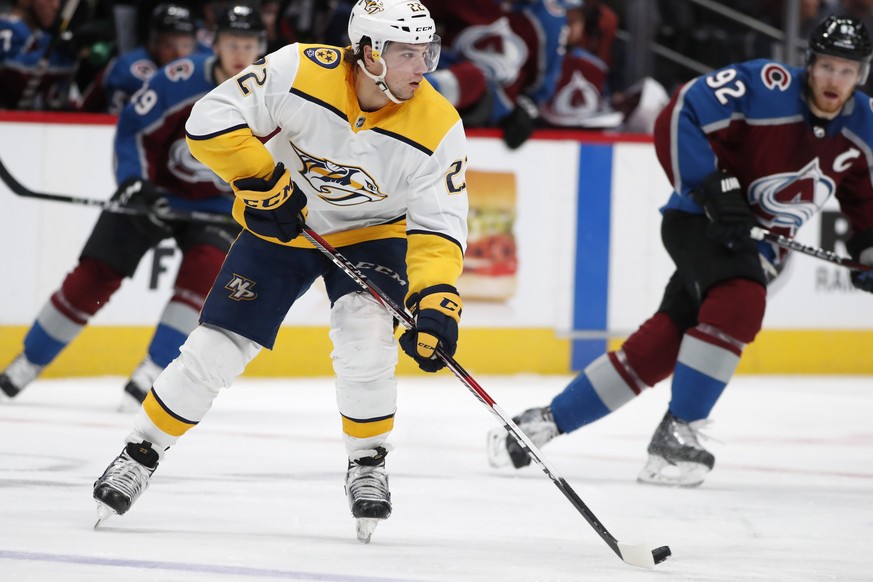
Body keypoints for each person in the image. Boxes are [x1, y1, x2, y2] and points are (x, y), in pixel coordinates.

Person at [90, 0, 469, 543]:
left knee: (366, 336)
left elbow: (440, 227)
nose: (422, 67)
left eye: (426, 52)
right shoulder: (300, 67)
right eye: (406, 53)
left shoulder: (439, 124)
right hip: (284, 225)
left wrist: (437, 301)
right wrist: (261, 180)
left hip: (374, 233)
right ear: (368, 53)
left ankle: (367, 462)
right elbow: (210, 118)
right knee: (215, 347)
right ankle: (140, 452)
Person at [487, 15, 873, 487]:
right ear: (810, 64)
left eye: (847, 70)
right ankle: (676, 437)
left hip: (759, 247)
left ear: (862, 76)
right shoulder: (765, 85)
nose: (836, 80)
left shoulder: (865, 126)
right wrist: (714, 186)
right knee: (740, 302)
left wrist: (868, 249)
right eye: (828, 67)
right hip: (701, 219)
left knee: (662, 344)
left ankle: (542, 422)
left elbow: (866, 199)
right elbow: (683, 108)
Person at [0, 5, 266, 409]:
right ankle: (29, 361)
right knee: (96, 273)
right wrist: (135, 183)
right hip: (153, 192)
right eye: (232, 44)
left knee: (205, 272)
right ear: (215, 44)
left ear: (261, 48)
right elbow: (132, 132)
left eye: (249, 46)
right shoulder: (180, 81)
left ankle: (152, 368)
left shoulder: (272, 96)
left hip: (217, 206)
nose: (240, 56)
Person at [78, 3, 197, 114]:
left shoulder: (203, 62)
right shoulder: (129, 69)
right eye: (170, 45)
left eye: (186, 45)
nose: (179, 54)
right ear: (154, 42)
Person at [0, 0, 77, 110]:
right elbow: (14, 74)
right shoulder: (6, 28)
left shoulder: (45, 38)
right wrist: (65, 57)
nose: (56, 5)